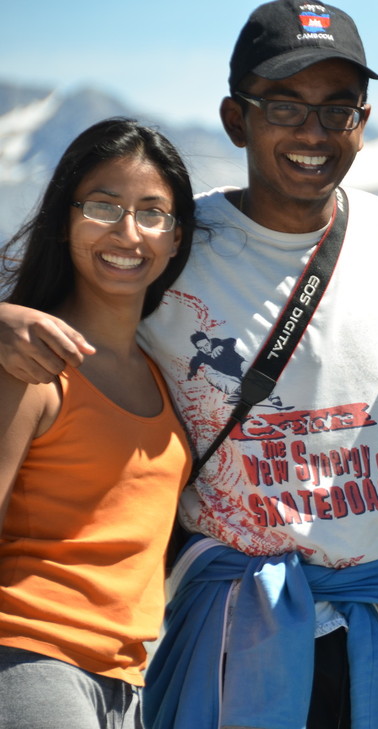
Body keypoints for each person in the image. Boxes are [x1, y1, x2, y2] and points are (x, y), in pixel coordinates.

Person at [0, 2, 378, 728]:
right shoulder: (177, 244)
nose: (312, 132)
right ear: (234, 118)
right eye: (284, 104)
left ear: (363, 122)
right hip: (232, 626)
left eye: (336, 109)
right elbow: (70, 304)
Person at [0, 118, 194, 728]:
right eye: (104, 206)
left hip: (129, 683)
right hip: (32, 662)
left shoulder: (161, 373)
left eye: (152, 212)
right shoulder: (29, 364)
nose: (128, 232)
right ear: (66, 220)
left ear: (175, 236)